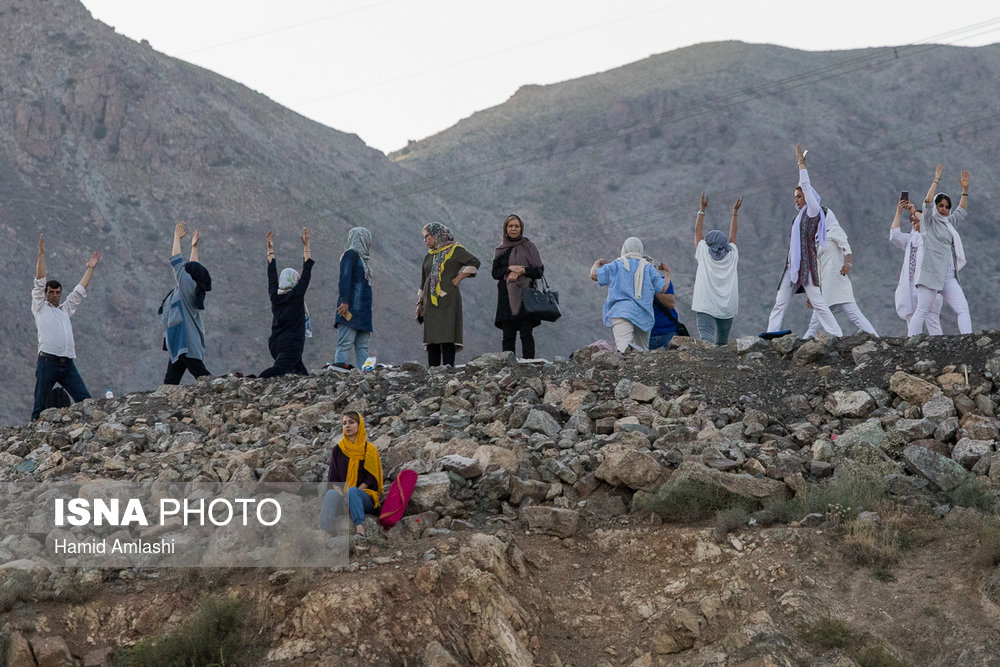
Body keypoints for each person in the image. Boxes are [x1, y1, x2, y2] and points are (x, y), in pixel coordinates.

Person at [764, 145, 843, 338]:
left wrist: (801, 164)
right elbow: (803, 188)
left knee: (818, 302)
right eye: (795, 197)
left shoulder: (813, 212)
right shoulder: (799, 218)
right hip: (792, 266)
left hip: (806, 266)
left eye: (799, 197)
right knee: (780, 302)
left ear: (808, 199)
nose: (797, 200)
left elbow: (806, 186)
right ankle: (771, 334)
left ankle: (836, 333)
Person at [31, 234, 100, 420]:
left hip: (67, 364)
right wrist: (41, 254)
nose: (55, 295)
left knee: (85, 399)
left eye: (58, 292)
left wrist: (90, 269)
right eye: (51, 292)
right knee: (40, 404)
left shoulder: (64, 311)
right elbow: (39, 279)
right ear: (46, 294)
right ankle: (31, 433)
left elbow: (79, 291)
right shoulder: (40, 307)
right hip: (48, 363)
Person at [907, 165, 972, 336]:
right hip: (931, 274)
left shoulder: (948, 224)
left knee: (962, 308)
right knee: (921, 311)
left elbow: (961, 212)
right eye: (941, 205)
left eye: (946, 206)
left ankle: (969, 340)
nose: (944, 209)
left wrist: (964, 190)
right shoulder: (929, 222)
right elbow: (927, 203)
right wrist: (936, 180)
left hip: (948, 276)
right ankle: (912, 342)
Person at [802, 207, 878, 338]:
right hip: (826, 286)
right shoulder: (818, 240)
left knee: (854, 314)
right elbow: (818, 268)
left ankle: (876, 339)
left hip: (838, 281)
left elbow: (846, 248)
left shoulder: (835, 231)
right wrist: (812, 293)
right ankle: (799, 347)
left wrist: (847, 264)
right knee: (816, 323)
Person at [416, 223, 480, 367]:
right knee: (432, 338)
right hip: (430, 303)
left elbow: (474, 262)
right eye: (424, 237)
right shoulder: (429, 256)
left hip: (448, 300)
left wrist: (459, 278)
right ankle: (433, 372)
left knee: (447, 335)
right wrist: (419, 303)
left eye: (427, 236)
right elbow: (423, 281)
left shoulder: (455, 250)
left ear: (437, 235)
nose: (425, 240)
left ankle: (448, 371)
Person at [590, 237, 668, 352]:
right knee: (642, 353)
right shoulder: (647, 267)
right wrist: (668, 273)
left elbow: (593, 275)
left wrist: (597, 263)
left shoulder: (616, 264)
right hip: (643, 315)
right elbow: (662, 288)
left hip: (621, 312)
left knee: (623, 349)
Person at [161, 221, 212, 384]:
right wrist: (194, 248)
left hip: (186, 341)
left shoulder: (186, 287)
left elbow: (176, 262)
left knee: (202, 375)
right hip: (179, 342)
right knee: (171, 380)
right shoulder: (193, 287)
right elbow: (193, 268)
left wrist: (176, 238)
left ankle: (223, 386)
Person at [319, 411, 384, 541]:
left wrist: (351, 494)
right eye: (344, 423)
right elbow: (333, 479)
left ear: (360, 425)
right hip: (344, 496)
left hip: (364, 497)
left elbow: (371, 479)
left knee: (353, 491)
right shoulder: (338, 449)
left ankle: (360, 528)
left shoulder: (369, 449)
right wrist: (343, 496)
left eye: (351, 422)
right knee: (331, 494)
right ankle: (324, 531)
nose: (347, 426)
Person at [259, 228, 313, 378]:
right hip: (291, 345)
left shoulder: (275, 296)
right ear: (295, 281)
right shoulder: (296, 296)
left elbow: (271, 276)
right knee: (279, 370)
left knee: (301, 373)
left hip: (275, 344)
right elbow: (307, 271)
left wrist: (270, 250)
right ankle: (253, 381)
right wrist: (306, 246)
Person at [692, 193, 741, 345]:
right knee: (722, 343)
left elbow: (697, 232)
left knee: (706, 340)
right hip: (727, 306)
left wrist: (702, 209)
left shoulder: (704, 252)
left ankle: (707, 367)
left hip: (705, 304)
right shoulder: (732, 254)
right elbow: (733, 234)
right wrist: (735, 213)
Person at [492, 214, 544, 358]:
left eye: (516, 226)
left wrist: (522, 271)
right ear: (505, 229)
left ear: (521, 228)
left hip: (525, 295)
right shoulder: (500, 250)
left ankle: (529, 365)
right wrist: (510, 268)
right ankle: (508, 367)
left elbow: (539, 271)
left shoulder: (529, 247)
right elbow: (495, 273)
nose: (513, 229)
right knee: (508, 335)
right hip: (506, 297)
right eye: (510, 226)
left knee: (526, 332)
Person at [890, 199, 943, 335]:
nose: (914, 221)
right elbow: (895, 235)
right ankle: (914, 345)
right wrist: (899, 212)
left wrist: (914, 210)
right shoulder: (911, 239)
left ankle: (938, 346)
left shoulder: (932, 236)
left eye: (917, 219)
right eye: (912, 220)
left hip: (927, 282)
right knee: (912, 316)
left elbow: (928, 224)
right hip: (910, 284)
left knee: (931, 317)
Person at [333, 227, 374, 371]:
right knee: (345, 344)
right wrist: (344, 300)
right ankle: (339, 374)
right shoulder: (350, 255)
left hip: (363, 311)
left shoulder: (364, 261)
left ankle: (365, 377)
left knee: (362, 346)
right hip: (351, 308)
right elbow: (345, 277)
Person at [649, 262, 679, 351]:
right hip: (647, 335)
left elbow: (670, 304)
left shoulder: (663, 282)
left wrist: (653, 289)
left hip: (668, 332)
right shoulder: (636, 286)